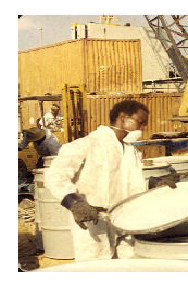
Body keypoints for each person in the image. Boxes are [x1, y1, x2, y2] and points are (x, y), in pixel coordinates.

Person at [44, 100, 178, 261]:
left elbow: (130, 184)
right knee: (97, 268)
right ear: (123, 118)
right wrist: (74, 203)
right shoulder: (86, 145)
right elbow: (55, 176)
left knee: (130, 266)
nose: (142, 128)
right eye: (140, 123)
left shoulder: (131, 151)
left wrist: (153, 184)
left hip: (125, 219)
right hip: (94, 221)